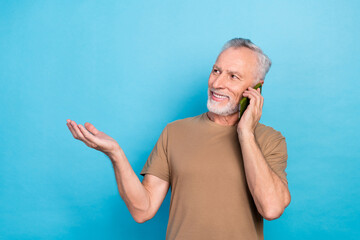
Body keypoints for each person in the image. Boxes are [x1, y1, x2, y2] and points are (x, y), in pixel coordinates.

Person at [66, 37, 291, 240]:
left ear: (255, 90)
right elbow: (142, 210)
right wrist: (115, 153)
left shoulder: (270, 140)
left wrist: (245, 134)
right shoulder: (175, 132)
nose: (217, 83)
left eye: (233, 76)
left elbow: (271, 209)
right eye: (216, 71)